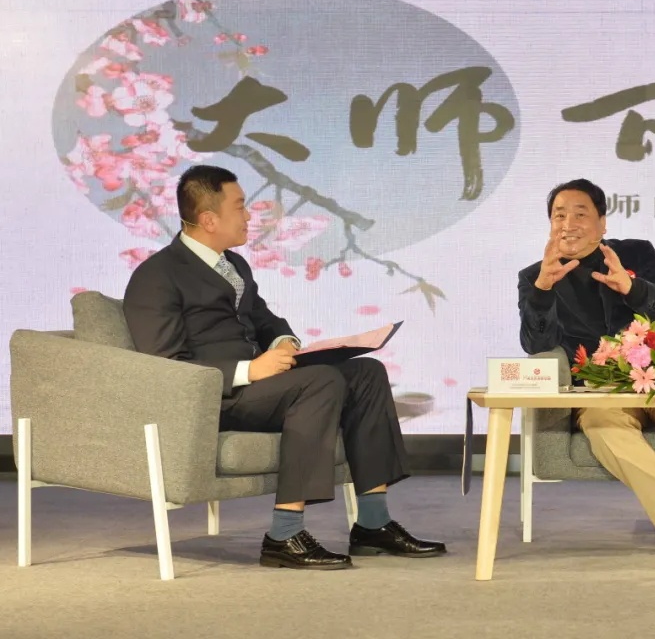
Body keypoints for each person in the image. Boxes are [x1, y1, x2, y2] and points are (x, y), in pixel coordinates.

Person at [123, 164, 446, 570]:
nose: (249, 215)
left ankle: (373, 524)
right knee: (321, 381)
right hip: (215, 398)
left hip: (260, 390)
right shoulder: (157, 276)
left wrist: (282, 341)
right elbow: (165, 365)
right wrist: (248, 370)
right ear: (208, 219)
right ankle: (283, 534)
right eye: (240, 207)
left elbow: (264, 319)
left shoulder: (234, 265)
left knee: (367, 373)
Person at [517, 179, 655, 554]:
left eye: (580, 214)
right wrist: (542, 292)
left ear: (602, 223)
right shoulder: (535, 276)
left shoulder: (636, 253)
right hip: (599, 393)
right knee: (601, 424)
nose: (568, 224)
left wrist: (633, 288)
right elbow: (535, 345)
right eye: (559, 216)